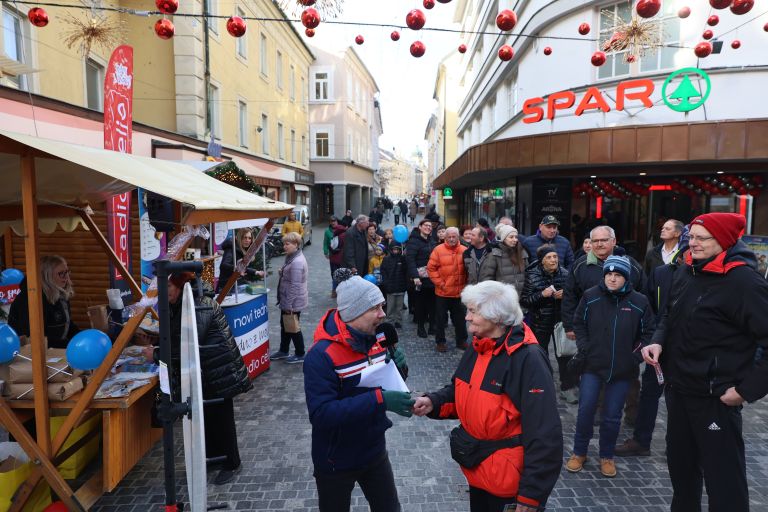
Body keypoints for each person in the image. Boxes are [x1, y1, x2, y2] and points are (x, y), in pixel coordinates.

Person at [642, 213, 768, 512]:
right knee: (682, 473)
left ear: (723, 241)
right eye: (691, 236)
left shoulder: (744, 282)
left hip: (716, 398)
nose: (692, 243)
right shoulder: (688, 269)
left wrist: (746, 390)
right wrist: (658, 339)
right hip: (679, 390)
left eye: (701, 238)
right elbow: (669, 314)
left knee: (724, 482)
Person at [413, 281, 563, 512]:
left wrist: (531, 495)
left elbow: (545, 432)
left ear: (496, 315)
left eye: (473, 311)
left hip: (508, 481)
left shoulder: (528, 358)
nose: (466, 317)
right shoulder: (479, 344)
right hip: (478, 468)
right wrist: (433, 402)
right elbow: (461, 390)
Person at [304, 268, 412, 512]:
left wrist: (400, 369)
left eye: (382, 307)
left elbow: (385, 382)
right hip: (335, 459)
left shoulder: (377, 338)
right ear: (353, 313)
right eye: (375, 309)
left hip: (374, 450)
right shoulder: (321, 356)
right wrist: (380, 399)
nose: (382, 314)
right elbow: (321, 414)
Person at [142, 272, 251, 485]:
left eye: (169, 289)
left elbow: (186, 345)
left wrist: (155, 354)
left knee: (222, 419)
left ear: (181, 286)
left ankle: (232, 462)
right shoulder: (184, 303)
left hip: (219, 371)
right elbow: (177, 338)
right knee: (208, 417)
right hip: (207, 372)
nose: (166, 294)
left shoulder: (200, 304)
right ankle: (214, 458)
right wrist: (157, 343)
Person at [565, 256, 654, 479]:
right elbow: (579, 323)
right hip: (592, 367)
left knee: (612, 416)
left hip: (623, 371)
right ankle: (579, 452)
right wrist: (585, 347)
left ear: (626, 278)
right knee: (586, 411)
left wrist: (634, 358)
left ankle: (606, 456)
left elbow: (648, 333)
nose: (612, 279)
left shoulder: (639, 301)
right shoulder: (591, 296)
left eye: (618, 275)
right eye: (609, 275)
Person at [615, 239, 688, 458]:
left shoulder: (705, 276)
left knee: (681, 398)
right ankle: (641, 440)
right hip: (658, 344)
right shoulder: (662, 273)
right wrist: (650, 336)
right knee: (649, 393)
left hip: (686, 348)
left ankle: (678, 446)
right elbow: (650, 307)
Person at [520, 244, 574, 401]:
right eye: (549, 257)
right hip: (540, 322)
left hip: (560, 322)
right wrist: (542, 295)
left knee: (564, 356)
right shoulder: (532, 275)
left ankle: (567, 387)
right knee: (540, 355)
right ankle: (543, 384)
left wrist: (566, 296)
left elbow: (575, 298)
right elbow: (525, 301)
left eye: (555, 257)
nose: (553, 260)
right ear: (542, 261)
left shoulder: (565, 274)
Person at [9, 255, 80, 349]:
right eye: (61, 273)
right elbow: (34, 338)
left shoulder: (59, 293)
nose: (66, 277)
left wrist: (83, 337)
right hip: (27, 353)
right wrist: (70, 344)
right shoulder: (30, 299)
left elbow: (67, 324)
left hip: (54, 350)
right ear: (46, 276)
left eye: (67, 272)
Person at [427, 227, 469, 352]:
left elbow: (469, 270)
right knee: (440, 319)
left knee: (460, 319)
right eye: (449, 237)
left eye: (454, 236)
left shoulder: (464, 250)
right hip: (443, 292)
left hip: (459, 292)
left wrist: (467, 285)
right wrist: (441, 283)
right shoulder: (438, 250)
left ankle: (461, 340)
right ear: (445, 238)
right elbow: (431, 269)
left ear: (458, 237)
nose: (451, 239)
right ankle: (440, 342)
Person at [270, 232, 309, 364]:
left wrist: (289, 306)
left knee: (293, 326)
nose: (285, 246)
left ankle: (300, 353)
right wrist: (283, 272)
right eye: (284, 244)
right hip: (288, 299)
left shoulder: (297, 261)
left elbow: (295, 286)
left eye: (287, 244)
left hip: (292, 301)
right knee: (285, 325)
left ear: (296, 245)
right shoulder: (292, 257)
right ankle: (283, 350)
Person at [406, 219, 437, 338]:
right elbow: (410, 261)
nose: (428, 228)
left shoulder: (432, 241)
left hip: (432, 277)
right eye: (426, 225)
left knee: (432, 303)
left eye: (430, 226)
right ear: (420, 227)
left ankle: (432, 327)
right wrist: (415, 276)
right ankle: (420, 327)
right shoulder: (413, 241)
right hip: (420, 278)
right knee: (420, 304)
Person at [482, 224, 528, 296]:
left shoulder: (522, 253)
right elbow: (488, 279)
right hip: (502, 298)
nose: (515, 239)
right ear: (503, 238)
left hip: (521, 298)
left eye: (516, 237)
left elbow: (527, 275)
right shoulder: (495, 255)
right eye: (511, 237)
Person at [217, 228, 265, 293]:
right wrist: (237, 269)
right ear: (240, 238)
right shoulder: (231, 249)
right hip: (226, 288)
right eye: (245, 238)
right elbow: (224, 265)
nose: (247, 240)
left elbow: (242, 268)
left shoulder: (241, 250)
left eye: (249, 238)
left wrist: (256, 272)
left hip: (235, 285)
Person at [380, 242, 408, 328]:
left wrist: (405, 284)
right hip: (390, 285)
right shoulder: (386, 259)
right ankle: (389, 320)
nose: (396, 251)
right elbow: (383, 271)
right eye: (394, 249)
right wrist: (386, 283)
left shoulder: (403, 258)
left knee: (399, 306)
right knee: (391, 306)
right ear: (391, 250)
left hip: (400, 285)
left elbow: (406, 271)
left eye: (397, 249)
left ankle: (398, 320)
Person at [323, 216, 346, 298]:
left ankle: (338, 290)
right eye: (331, 221)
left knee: (340, 273)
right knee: (333, 273)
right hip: (332, 255)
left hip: (341, 256)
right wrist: (326, 252)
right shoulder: (327, 231)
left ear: (337, 221)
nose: (333, 222)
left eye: (334, 221)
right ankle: (335, 290)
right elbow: (325, 242)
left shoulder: (343, 232)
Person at [328, 221, 348, 298]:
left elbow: (331, 247)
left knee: (335, 276)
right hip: (341, 259)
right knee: (342, 276)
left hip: (334, 259)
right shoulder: (345, 235)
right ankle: (341, 291)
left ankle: (334, 292)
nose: (333, 230)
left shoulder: (337, 236)